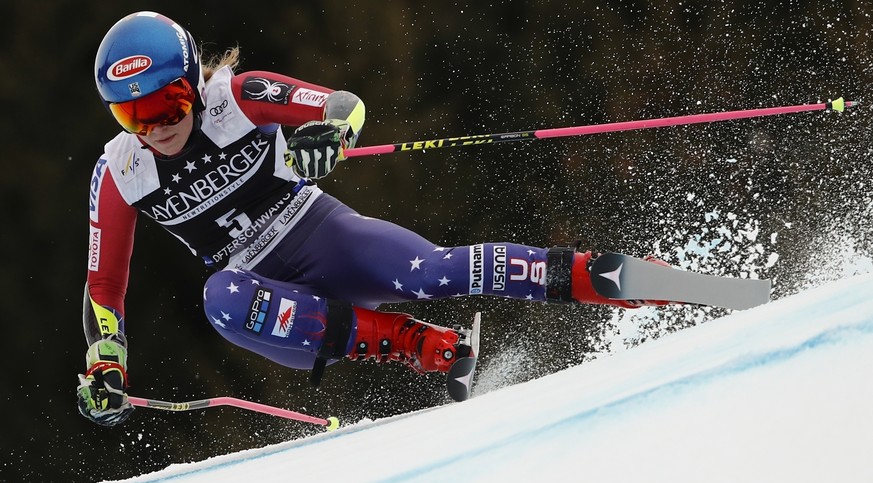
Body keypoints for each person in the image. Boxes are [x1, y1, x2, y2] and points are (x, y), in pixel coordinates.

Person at [78, 11, 668, 427]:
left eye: (169, 102)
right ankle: (419, 344)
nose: (157, 127)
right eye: (134, 116)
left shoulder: (236, 97)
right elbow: (105, 285)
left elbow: (344, 105)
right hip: (275, 303)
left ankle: (609, 278)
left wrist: (330, 137)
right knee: (220, 298)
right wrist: (106, 360)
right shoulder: (121, 171)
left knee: (434, 273)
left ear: (192, 82)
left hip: (324, 235)